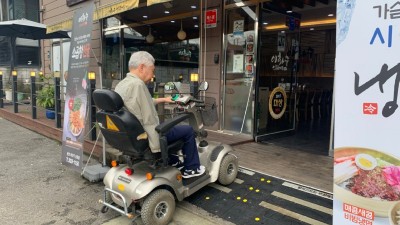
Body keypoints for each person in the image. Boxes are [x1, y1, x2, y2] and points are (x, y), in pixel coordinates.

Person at [115, 51, 205, 179]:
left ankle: (174, 162)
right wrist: (157, 147)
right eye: (152, 70)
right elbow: (149, 120)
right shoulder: (138, 85)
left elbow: (139, 103)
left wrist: (164, 100)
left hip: (132, 135)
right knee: (187, 130)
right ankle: (192, 169)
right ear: (141, 67)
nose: (153, 75)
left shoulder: (123, 84)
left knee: (169, 127)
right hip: (147, 134)